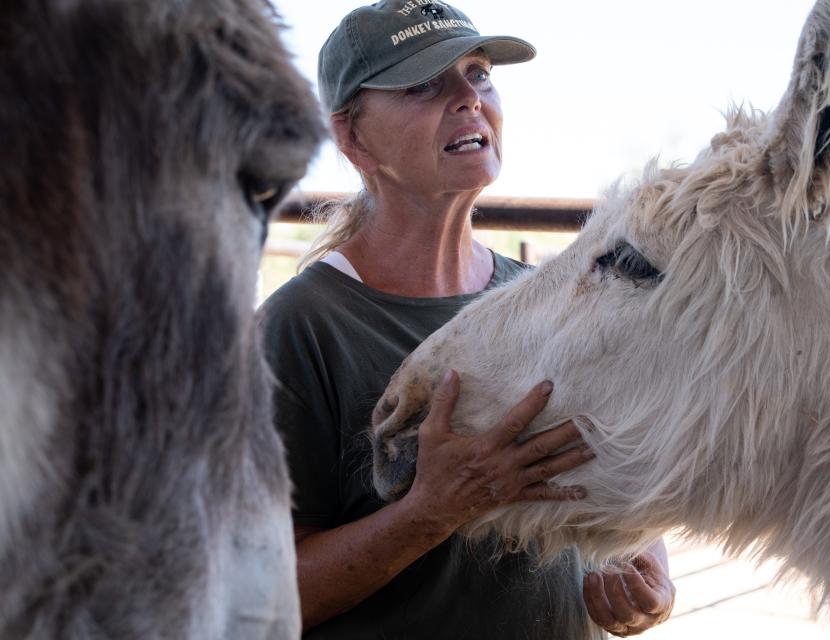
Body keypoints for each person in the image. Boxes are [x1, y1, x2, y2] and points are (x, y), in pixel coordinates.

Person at [260, 1, 676, 637]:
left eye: (478, 72)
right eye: (424, 84)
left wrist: (646, 584)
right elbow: (269, 596)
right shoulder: (300, 327)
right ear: (352, 138)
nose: (468, 98)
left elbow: (627, 515)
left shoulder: (550, 298)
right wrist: (430, 512)